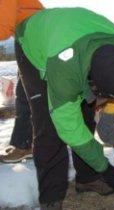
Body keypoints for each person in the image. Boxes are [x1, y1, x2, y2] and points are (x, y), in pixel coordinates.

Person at [15, 7, 114, 209]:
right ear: (91, 81)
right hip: (34, 41)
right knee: (49, 126)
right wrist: (105, 167)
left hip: (73, 39)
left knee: (86, 113)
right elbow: (68, 128)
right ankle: (51, 198)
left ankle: (87, 178)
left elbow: (99, 91)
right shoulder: (65, 71)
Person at [0, 0, 43, 163]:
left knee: (28, 93)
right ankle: (26, 143)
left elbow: (3, 28)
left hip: (31, 35)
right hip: (34, 33)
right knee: (27, 92)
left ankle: (24, 145)